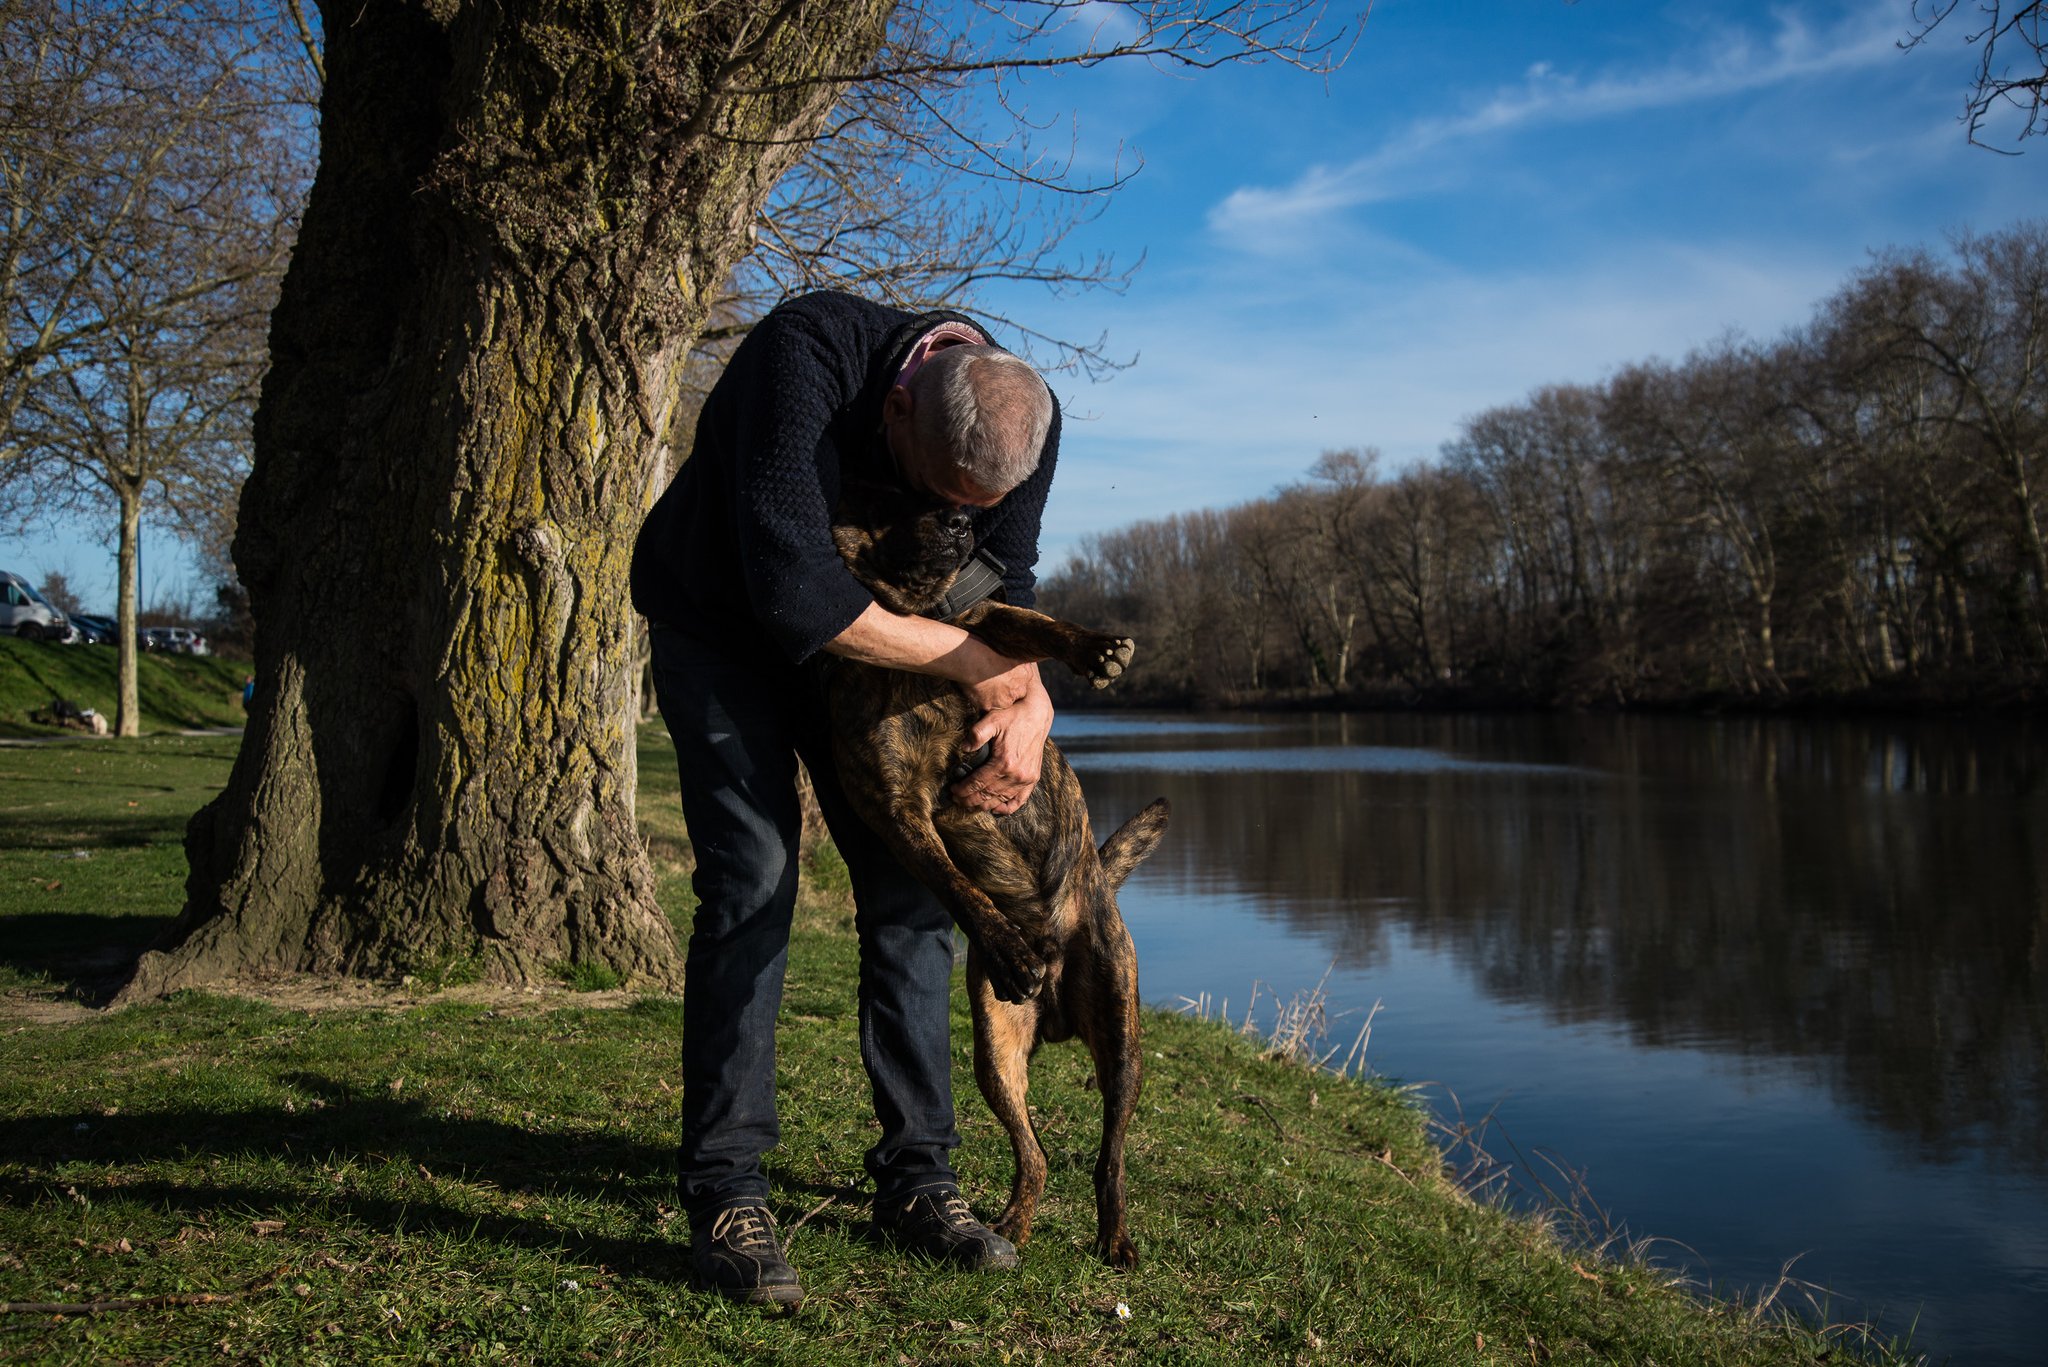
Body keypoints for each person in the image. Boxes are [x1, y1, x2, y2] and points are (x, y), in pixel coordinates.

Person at [628, 290, 1063, 1309]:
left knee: (917, 895)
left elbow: (1010, 584)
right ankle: (728, 1189)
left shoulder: (1024, 418)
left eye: (973, 504)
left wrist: (1029, 699)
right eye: (935, 493)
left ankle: (919, 1180)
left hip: (880, 644)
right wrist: (972, 661)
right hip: (722, 625)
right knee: (756, 879)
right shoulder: (805, 357)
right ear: (901, 406)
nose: (951, 518)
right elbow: (798, 596)